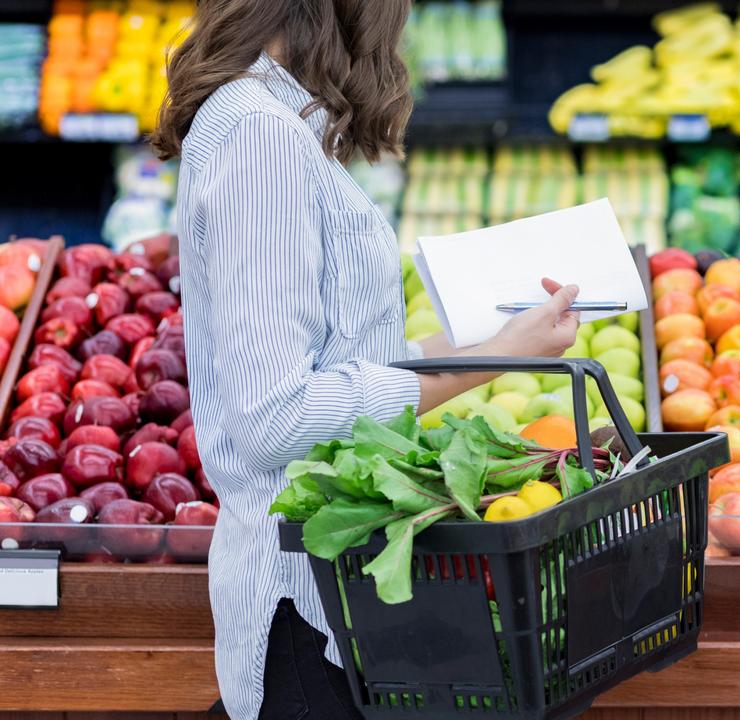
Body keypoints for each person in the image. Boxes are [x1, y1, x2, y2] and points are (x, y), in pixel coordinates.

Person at [152, 2, 580, 718]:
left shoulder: (274, 124)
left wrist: (502, 342)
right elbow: (275, 417)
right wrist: (498, 358)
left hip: (340, 601)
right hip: (302, 608)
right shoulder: (260, 136)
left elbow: (344, 360)